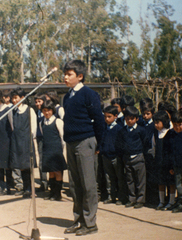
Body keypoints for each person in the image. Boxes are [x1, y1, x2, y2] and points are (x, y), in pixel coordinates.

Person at [63, 60, 105, 236]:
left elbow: (99, 120)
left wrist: (98, 144)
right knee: (75, 184)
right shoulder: (67, 96)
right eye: (65, 74)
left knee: (88, 184)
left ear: (80, 76)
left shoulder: (89, 94)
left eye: (69, 74)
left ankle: (90, 223)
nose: (65, 77)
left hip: (85, 142)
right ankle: (78, 220)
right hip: (71, 143)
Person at [9, 87, 38, 198]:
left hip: (26, 141)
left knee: (28, 166)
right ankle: (24, 188)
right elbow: (12, 126)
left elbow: (33, 128)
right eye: (13, 98)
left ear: (22, 98)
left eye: (16, 98)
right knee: (20, 165)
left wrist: (29, 139)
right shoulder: (12, 111)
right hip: (16, 141)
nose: (14, 100)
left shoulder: (29, 110)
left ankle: (30, 189)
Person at [115, 106, 146, 209]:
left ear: (137, 119)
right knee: (130, 180)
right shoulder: (122, 131)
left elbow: (145, 142)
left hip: (138, 158)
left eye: (132, 119)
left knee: (140, 180)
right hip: (127, 158)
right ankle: (131, 199)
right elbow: (120, 144)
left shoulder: (141, 130)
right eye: (127, 119)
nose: (129, 121)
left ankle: (140, 200)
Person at [40, 100, 67, 201]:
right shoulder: (42, 122)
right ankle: (52, 192)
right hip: (47, 150)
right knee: (50, 172)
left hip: (56, 151)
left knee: (57, 172)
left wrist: (62, 152)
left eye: (49, 110)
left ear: (53, 110)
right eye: (44, 110)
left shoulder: (58, 121)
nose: (47, 113)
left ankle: (57, 193)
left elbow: (62, 138)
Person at [97, 105, 122, 204]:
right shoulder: (104, 128)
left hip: (116, 157)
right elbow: (102, 141)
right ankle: (110, 196)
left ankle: (121, 197)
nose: (106, 119)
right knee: (108, 178)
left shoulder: (119, 129)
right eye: (105, 117)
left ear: (115, 116)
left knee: (119, 178)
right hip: (106, 157)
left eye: (109, 117)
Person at [151, 111, 176, 210]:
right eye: (155, 122)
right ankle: (161, 201)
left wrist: (172, 165)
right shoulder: (155, 133)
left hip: (168, 164)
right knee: (161, 183)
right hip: (159, 163)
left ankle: (171, 201)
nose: (156, 125)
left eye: (158, 122)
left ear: (164, 122)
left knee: (171, 183)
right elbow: (154, 147)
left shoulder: (170, 133)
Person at [138, 98, 158, 205]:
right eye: (143, 114)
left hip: (151, 152)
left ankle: (153, 199)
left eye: (148, 114)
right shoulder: (141, 123)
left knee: (152, 176)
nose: (145, 116)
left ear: (152, 113)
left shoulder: (154, 125)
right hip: (142, 152)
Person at [34, 92, 48, 191]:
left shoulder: (48, 112)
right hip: (40, 139)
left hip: (48, 139)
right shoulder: (37, 112)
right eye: (36, 102)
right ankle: (44, 183)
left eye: (40, 101)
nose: (38, 103)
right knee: (41, 161)